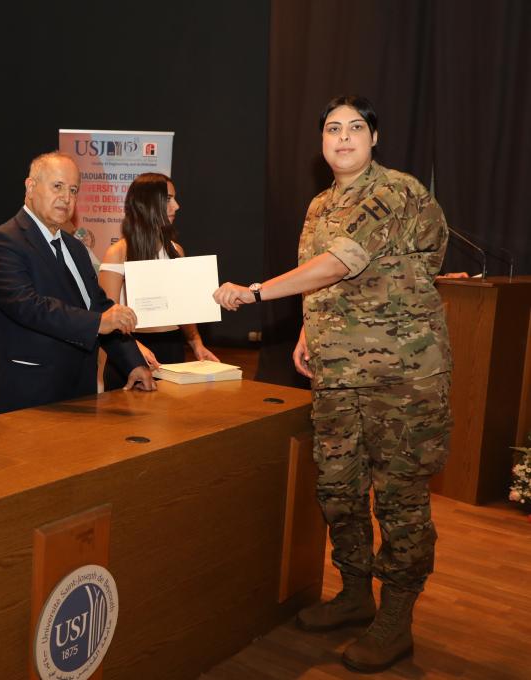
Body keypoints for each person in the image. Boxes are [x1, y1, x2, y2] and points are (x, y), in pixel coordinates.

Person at [214, 95, 452, 673]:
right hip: (338, 373)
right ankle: (353, 594)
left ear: (374, 138)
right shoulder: (321, 203)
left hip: (401, 378)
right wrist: (307, 331)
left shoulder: (394, 191)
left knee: (399, 500)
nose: (343, 137)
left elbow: (341, 262)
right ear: (321, 141)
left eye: (355, 127)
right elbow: (323, 283)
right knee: (339, 489)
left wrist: (255, 292)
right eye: (332, 128)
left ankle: (395, 620)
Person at [0, 151, 156, 416]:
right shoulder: (3, 242)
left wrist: (132, 362)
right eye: (57, 186)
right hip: (28, 395)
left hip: (80, 391)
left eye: (73, 190)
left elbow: (97, 305)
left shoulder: (75, 248)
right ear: (30, 187)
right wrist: (99, 322)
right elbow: (30, 307)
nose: (67, 197)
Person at [98, 173, 219, 390]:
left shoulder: (175, 250)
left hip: (172, 348)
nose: (177, 206)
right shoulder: (117, 253)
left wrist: (197, 344)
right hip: (129, 350)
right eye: (168, 199)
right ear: (147, 204)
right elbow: (107, 314)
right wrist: (134, 348)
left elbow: (183, 308)